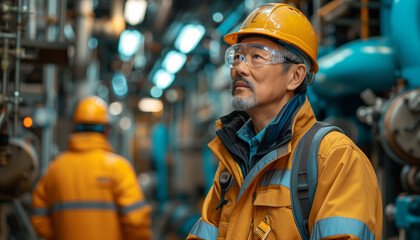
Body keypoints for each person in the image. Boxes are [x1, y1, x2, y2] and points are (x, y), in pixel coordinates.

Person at [187, 3, 382, 240]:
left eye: (256, 56)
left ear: (295, 76)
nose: (240, 68)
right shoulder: (232, 164)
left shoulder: (335, 158)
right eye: (237, 56)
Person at [31, 96, 152, 240]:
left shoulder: (55, 168)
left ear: (74, 128)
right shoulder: (119, 169)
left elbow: (38, 217)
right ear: (106, 130)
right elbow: (136, 221)